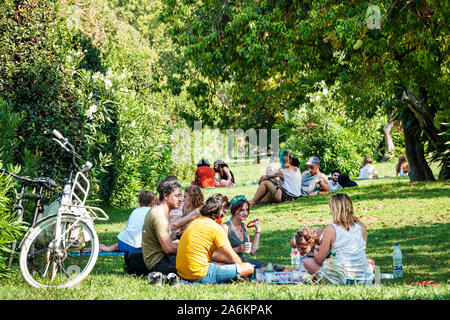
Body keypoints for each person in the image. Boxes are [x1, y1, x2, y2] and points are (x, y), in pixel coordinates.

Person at [176, 194, 254, 284]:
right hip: (200, 275)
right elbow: (233, 257)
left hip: (182, 273)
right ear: (220, 214)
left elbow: (216, 256)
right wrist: (243, 269)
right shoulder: (215, 228)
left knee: (224, 264)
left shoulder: (196, 222)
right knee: (248, 267)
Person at [304, 193, 375, 283]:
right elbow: (359, 251)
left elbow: (319, 259)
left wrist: (314, 248)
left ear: (334, 209)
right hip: (364, 278)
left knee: (308, 262)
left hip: (341, 278)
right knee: (369, 261)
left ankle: (317, 282)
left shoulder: (331, 229)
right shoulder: (361, 227)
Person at [142, 176, 183, 275]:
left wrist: (178, 235)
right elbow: (168, 248)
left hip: (158, 259)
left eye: (181, 196)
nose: (180, 199)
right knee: (197, 265)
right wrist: (189, 248)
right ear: (165, 196)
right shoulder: (160, 216)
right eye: (177, 196)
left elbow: (163, 236)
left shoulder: (159, 209)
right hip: (159, 263)